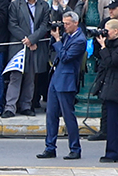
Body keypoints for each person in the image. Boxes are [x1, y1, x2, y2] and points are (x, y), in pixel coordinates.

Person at [38, 9, 88, 160]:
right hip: (56, 78)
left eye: (67, 24)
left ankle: (75, 148)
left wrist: (58, 40)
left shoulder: (80, 40)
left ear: (75, 23)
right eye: (64, 23)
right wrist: (55, 36)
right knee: (51, 115)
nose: (65, 26)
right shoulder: (66, 35)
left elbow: (66, 57)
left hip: (67, 81)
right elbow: (54, 49)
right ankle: (50, 147)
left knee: (68, 116)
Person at [97, 19, 118, 163]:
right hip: (111, 86)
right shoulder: (111, 44)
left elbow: (112, 62)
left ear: (116, 31)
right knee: (113, 122)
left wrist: (104, 47)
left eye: (107, 30)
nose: (105, 32)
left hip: (116, 89)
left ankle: (113, 153)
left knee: (113, 123)